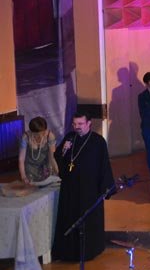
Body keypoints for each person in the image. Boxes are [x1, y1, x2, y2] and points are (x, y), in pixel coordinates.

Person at [52, 112, 114, 261]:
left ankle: (90, 251)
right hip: (70, 188)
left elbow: (104, 165)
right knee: (69, 218)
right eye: (74, 124)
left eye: (80, 124)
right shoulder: (69, 138)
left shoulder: (98, 141)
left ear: (89, 123)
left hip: (89, 189)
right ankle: (68, 252)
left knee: (88, 220)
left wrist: (106, 188)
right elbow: (58, 159)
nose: (77, 127)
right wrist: (63, 150)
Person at [19, 116, 58, 185]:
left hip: (45, 167)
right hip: (30, 168)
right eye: (37, 135)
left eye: (43, 133)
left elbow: (52, 157)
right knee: (32, 188)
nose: (40, 136)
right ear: (31, 132)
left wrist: (57, 171)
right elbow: (21, 159)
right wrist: (23, 176)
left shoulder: (50, 136)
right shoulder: (26, 137)